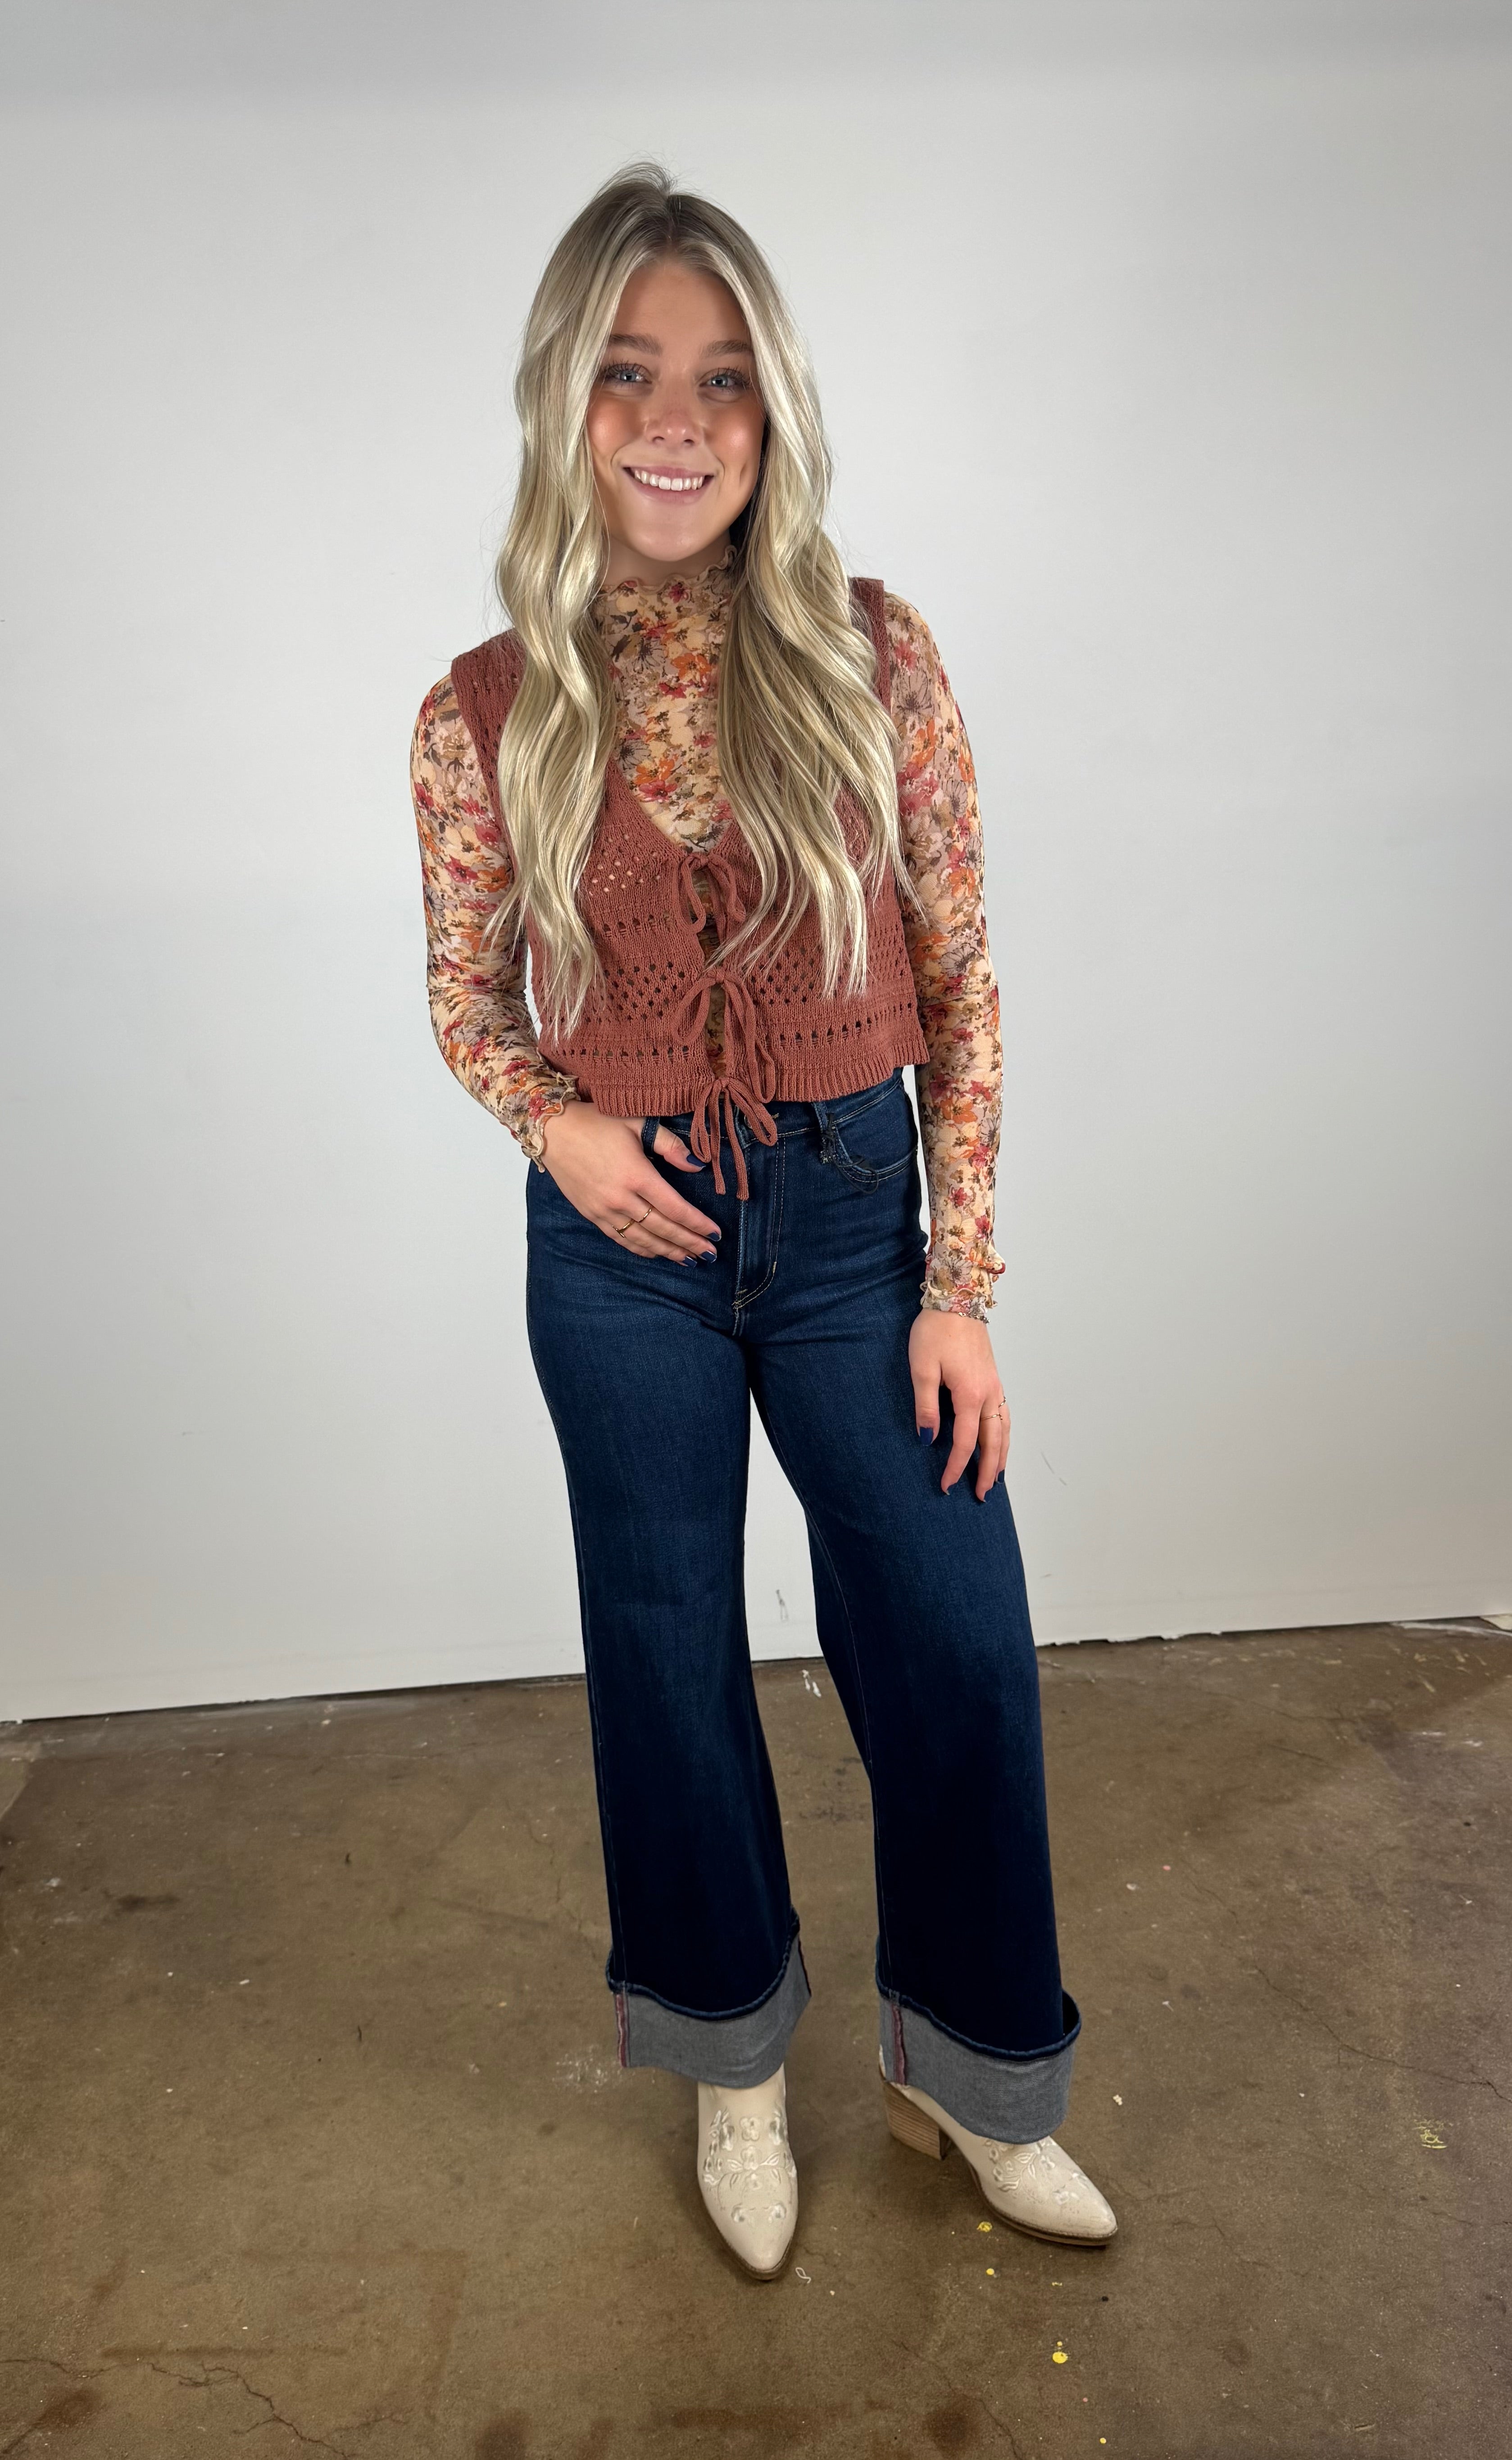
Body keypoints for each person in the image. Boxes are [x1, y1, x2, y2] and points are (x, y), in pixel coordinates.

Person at [410, 163, 1116, 2278]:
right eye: (628, 372)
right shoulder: (482, 709)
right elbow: (467, 1005)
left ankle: (970, 2073)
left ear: (772, 407)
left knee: (956, 1639)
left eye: (721, 377)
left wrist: (958, 1283)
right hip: (618, 1245)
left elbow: (964, 977)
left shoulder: (873, 653)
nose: (675, 420)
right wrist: (559, 1131)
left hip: (853, 1217)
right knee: (666, 1655)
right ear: (564, 398)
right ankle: (733, 2062)